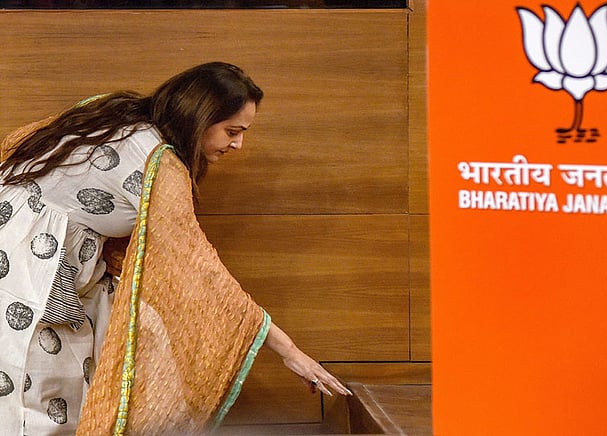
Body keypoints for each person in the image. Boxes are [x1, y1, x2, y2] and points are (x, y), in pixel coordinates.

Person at [0, 62, 351, 435]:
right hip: (30, 265)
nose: (238, 145)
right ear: (201, 117)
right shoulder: (156, 161)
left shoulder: (114, 112)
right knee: (38, 392)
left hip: (18, 237)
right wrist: (290, 351)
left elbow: (18, 142)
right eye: (232, 131)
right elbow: (202, 271)